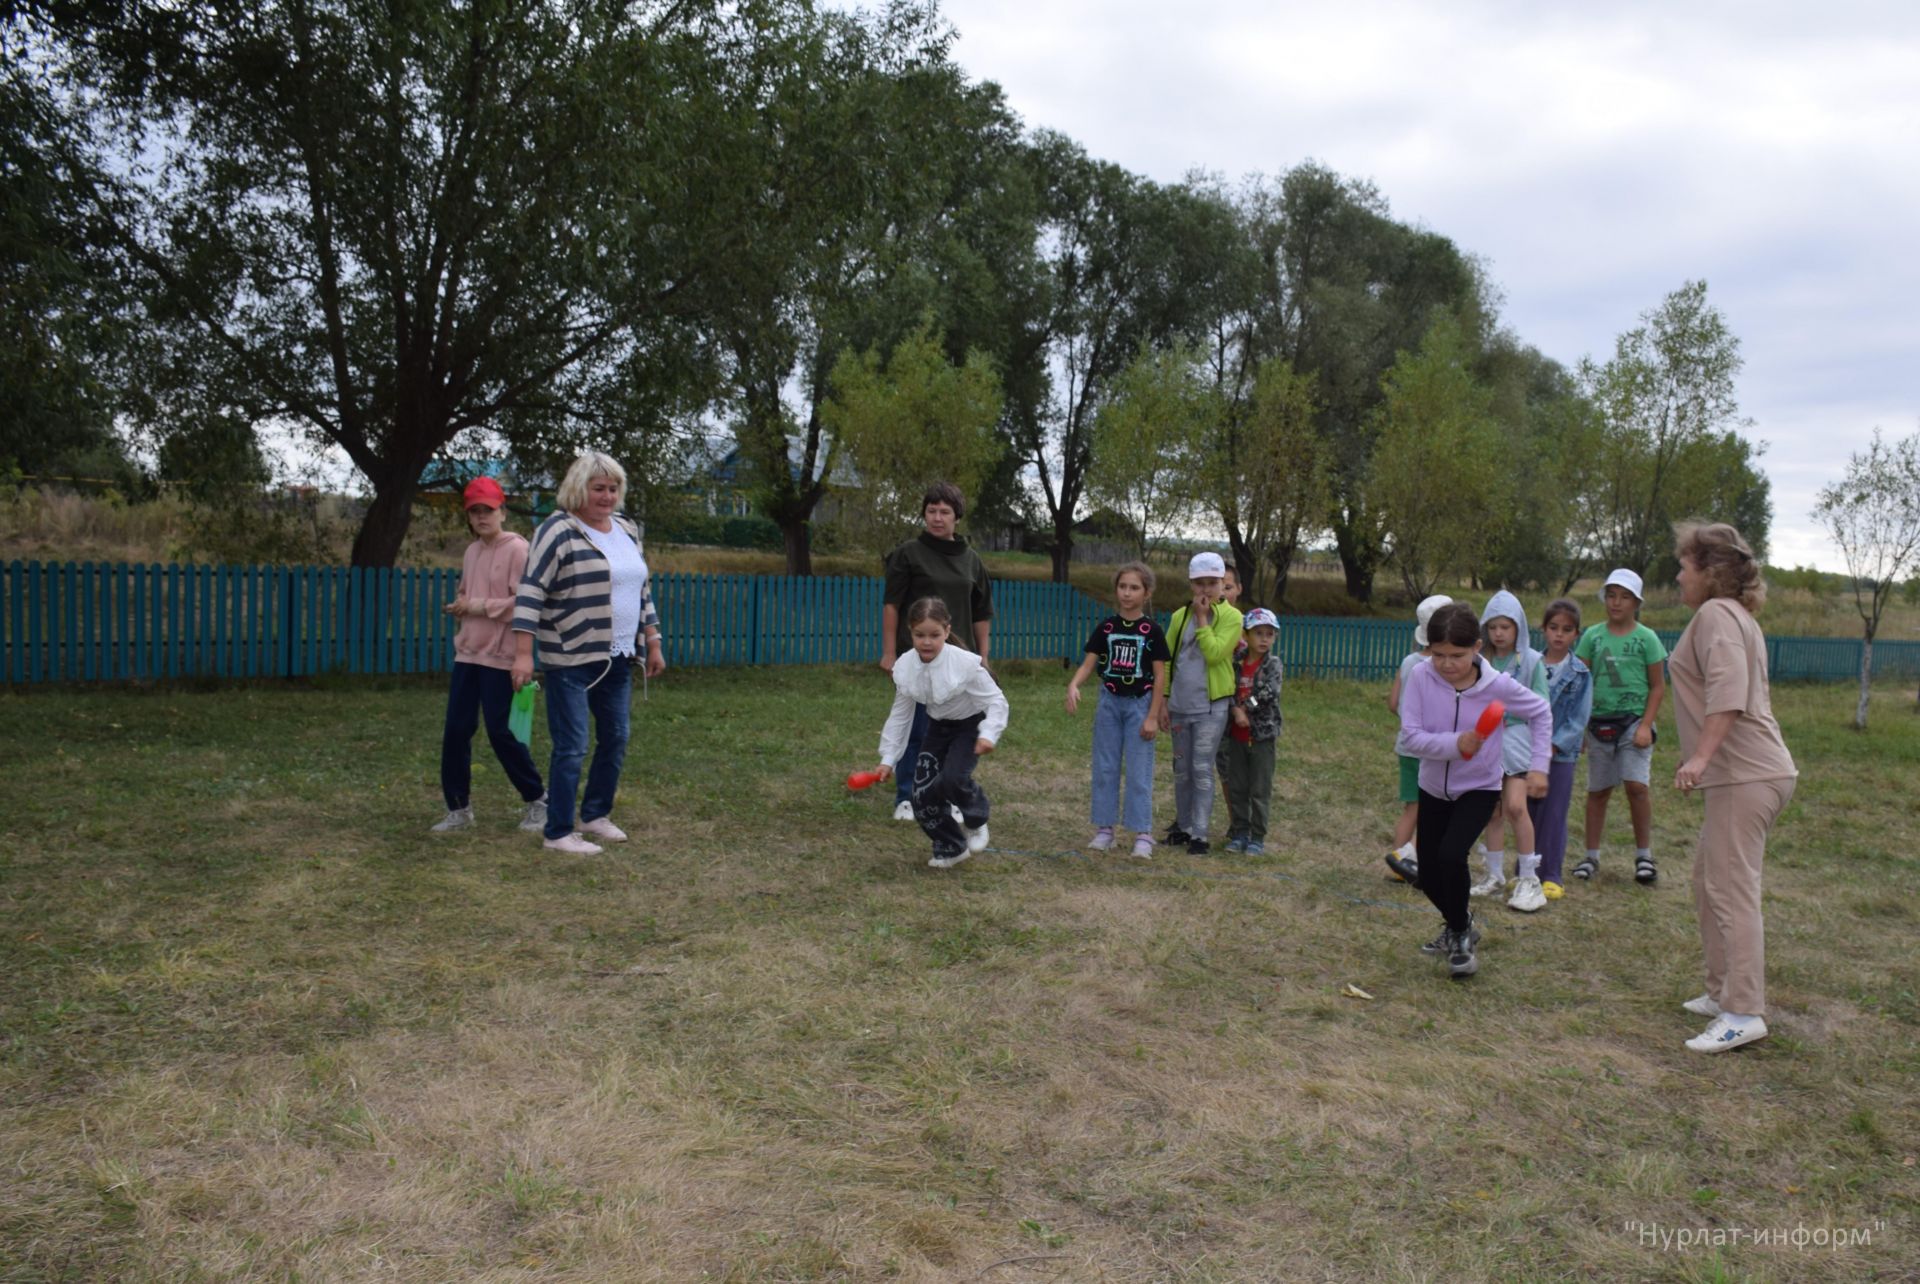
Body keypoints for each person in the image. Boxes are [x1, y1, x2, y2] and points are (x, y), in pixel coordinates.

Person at [1669, 522, 1796, 1053]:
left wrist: (1700, 756)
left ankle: (1743, 1011)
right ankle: (1723, 991)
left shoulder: (1717, 615)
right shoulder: (1734, 616)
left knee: (1730, 889)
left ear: (1709, 571)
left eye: (1685, 566)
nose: (1679, 575)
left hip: (1744, 774)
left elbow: (1728, 694)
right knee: (1709, 882)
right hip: (1748, 774)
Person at [511, 452, 666, 855]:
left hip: (618, 655)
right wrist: (523, 654)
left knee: (616, 737)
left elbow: (641, 590)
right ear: (579, 488)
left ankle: (594, 814)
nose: (608, 496)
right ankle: (558, 832)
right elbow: (531, 591)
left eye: (614, 488)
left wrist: (653, 640)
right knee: (573, 744)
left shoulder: (627, 530)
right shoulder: (558, 529)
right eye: (599, 488)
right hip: (570, 656)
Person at [1397, 603, 1551, 979]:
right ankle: (1460, 921)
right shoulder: (1419, 676)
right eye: (1439, 655)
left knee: (1452, 856)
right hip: (1432, 787)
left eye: (1457, 655)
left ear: (1477, 648)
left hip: (1480, 788)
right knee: (1429, 876)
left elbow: (1541, 712)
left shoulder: (1497, 685)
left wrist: (1538, 766)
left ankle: (1461, 938)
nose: (1447, 664)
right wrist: (1457, 744)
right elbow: (1411, 737)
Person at [430, 477, 547, 835]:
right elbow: (469, 593)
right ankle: (459, 809)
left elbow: (525, 603)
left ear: (503, 512)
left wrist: (478, 606)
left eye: (488, 510)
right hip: (468, 654)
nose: (482, 518)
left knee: (502, 733)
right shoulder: (471, 551)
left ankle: (540, 801)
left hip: (502, 656)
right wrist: (461, 606)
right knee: (456, 731)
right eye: (475, 512)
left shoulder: (518, 550)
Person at [879, 483, 994, 822]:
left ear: (957, 517)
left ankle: (948, 796)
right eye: (932, 511)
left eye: (945, 512)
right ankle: (907, 797)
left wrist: (984, 656)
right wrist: (889, 652)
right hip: (917, 657)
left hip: (958, 661)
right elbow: (892, 605)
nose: (937, 518)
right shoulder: (908, 553)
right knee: (916, 729)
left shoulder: (972, 560)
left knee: (952, 730)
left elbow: (982, 612)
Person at [874, 597, 1009, 870]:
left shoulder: (965, 665)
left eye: (934, 635)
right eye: (919, 635)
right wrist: (888, 759)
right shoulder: (906, 667)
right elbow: (901, 716)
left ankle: (976, 819)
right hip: (938, 727)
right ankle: (951, 846)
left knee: (952, 778)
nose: (926, 642)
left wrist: (988, 734)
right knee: (920, 794)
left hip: (970, 726)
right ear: (910, 633)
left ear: (947, 632)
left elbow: (996, 702)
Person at [1066, 562, 1170, 860]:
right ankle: (1105, 830)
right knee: (1105, 767)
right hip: (1109, 703)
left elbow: (1160, 675)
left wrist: (1152, 715)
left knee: (1139, 771)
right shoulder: (1107, 627)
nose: (1127, 593)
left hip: (1140, 704)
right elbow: (1089, 662)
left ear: (1146, 592)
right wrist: (1074, 684)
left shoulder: (1152, 631)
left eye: (1134, 587)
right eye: (1123, 587)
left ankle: (1143, 834)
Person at [1574, 568, 1668, 885]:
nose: (1616, 603)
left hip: (1633, 723)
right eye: (1611, 595)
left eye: (1624, 596)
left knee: (1636, 787)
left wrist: (1646, 725)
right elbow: (1580, 683)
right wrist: (1581, 727)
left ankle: (1644, 856)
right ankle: (1591, 856)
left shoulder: (1647, 639)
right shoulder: (1592, 637)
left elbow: (1657, 686)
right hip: (1599, 723)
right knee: (1598, 791)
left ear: (1636, 602)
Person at [1472, 591, 1551, 910]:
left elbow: (1541, 707)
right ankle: (1494, 874)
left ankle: (1529, 878)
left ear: (1518, 626)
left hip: (1518, 744)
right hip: (1487, 744)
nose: (1499, 633)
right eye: (1492, 627)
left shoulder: (1532, 661)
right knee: (1491, 810)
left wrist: (1539, 761)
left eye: (1505, 626)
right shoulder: (1481, 660)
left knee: (1516, 807)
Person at [1161, 552, 1244, 855]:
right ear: (1191, 584)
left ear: (1223, 585)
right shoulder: (1177, 617)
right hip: (1180, 704)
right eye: (1200, 583)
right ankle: (1183, 827)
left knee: (1201, 768)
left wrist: (1201, 620)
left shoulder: (1233, 618)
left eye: (1213, 583)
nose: (1206, 590)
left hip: (1211, 707)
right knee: (1181, 768)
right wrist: (1163, 701)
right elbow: (1167, 661)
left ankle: (1200, 833)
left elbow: (1215, 653)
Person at [1526, 599, 1593, 902]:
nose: (1559, 635)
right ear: (1543, 630)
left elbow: (1579, 719)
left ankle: (1551, 873)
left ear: (1576, 634)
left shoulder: (1580, 674)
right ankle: (1526, 869)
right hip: (1527, 751)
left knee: (1554, 813)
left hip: (1561, 755)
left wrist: (1554, 745)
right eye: (1553, 628)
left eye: (1566, 630)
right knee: (1526, 812)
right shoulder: (1530, 665)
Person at [1384, 594, 1451, 884]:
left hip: (1406, 745)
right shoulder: (1443, 666)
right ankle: (1411, 861)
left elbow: (1392, 702)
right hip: (1430, 749)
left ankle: (1399, 859)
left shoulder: (1409, 661)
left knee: (1412, 805)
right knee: (1428, 808)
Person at [1221, 607, 1284, 855]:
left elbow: (1269, 693)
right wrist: (1235, 710)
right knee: (1238, 786)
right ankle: (1240, 832)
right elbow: (1227, 688)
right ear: (1246, 635)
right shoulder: (1236, 663)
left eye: (1270, 634)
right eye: (1259, 633)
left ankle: (1257, 836)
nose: (1264, 639)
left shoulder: (1273, 665)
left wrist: (1244, 709)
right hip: (1236, 735)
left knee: (1259, 787)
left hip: (1262, 736)